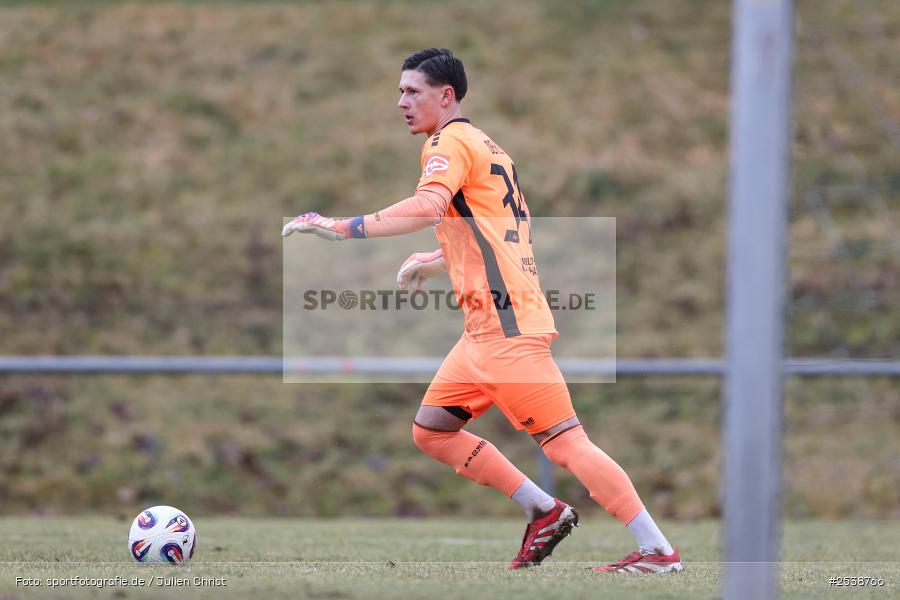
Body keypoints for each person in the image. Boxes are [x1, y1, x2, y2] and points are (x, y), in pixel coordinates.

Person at [282, 48, 683, 574]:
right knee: (431, 430)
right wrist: (434, 259)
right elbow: (492, 234)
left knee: (566, 444)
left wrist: (340, 226)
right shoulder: (484, 144)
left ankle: (657, 551)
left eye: (412, 92)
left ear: (445, 96)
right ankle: (543, 510)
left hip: (506, 329)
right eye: (400, 92)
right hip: (483, 334)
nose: (401, 102)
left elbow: (428, 206)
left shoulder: (447, 143)